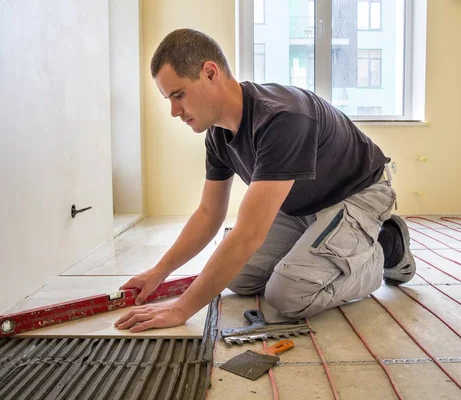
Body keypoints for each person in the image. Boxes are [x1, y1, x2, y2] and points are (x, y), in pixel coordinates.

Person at [114, 28, 415, 333]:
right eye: (169, 99)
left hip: (357, 195)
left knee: (289, 296)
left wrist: (181, 310)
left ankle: (384, 246)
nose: (174, 111)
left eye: (179, 95)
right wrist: (158, 272)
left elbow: (249, 233)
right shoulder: (217, 135)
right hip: (302, 206)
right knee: (239, 278)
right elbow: (208, 214)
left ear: (209, 72)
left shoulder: (282, 118)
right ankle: (324, 247)